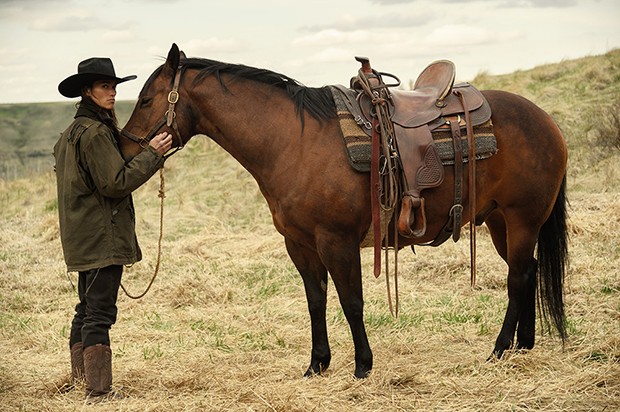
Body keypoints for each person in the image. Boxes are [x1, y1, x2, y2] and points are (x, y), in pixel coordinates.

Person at [54, 57, 173, 400]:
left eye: (114, 86)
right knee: (100, 313)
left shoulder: (69, 135)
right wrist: (153, 154)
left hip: (83, 238)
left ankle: (81, 381)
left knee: (86, 309)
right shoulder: (93, 134)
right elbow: (115, 183)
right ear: (87, 91)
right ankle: (99, 392)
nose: (112, 92)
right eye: (105, 86)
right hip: (101, 239)